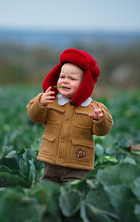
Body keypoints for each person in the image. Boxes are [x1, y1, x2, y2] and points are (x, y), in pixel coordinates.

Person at [27, 48, 113, 184]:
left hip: (78, 166)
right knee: (47, 190)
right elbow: (35, 117)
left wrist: (99, 119)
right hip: (51, 162)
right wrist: (40, 102)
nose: (65, 81)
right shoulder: (50, 101)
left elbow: (103, 131)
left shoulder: (94, 108)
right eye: (62, 77)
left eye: (72, 79)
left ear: (85, 83)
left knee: (75, 192)